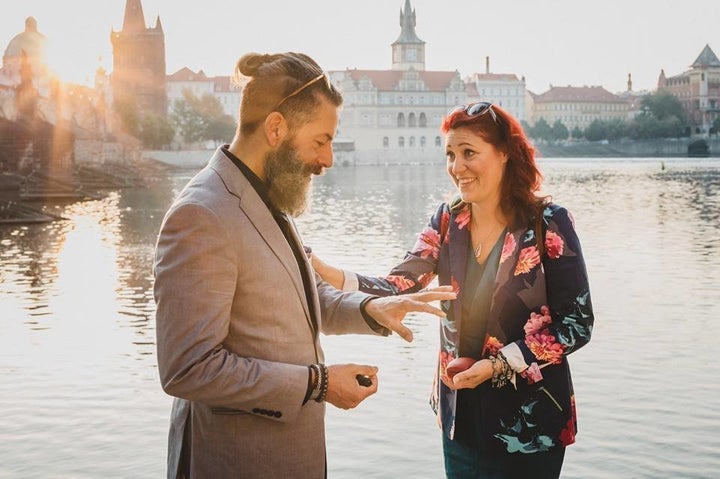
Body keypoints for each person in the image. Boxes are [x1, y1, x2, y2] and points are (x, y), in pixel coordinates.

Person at [152, 51, 455, 479]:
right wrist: (320, 384)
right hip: (237, 461)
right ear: (276, 128)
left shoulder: (266, 194)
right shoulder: (201, 215)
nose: (328, 159)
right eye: (321, 140)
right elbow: (188, 368)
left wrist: (371, 310)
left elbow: (306, 293)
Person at [312, 102, 594, 478]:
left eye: (469, 153)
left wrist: (498, 365)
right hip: (459, 421)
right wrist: (324, 271)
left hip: (530, 426)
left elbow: (576, 323)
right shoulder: (448, 220)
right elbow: (400, 283)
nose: (456, 167)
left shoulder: (548, 223)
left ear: (504, 153)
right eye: (450, 154)